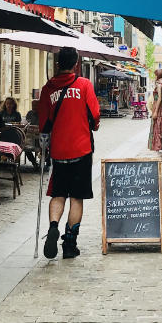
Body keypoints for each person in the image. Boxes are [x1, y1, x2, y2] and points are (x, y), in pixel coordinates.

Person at [38, 47, 100, 260]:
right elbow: (95, 115)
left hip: (59, 150)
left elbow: (44, 123)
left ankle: (53, 225)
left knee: (58, 193)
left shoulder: (48, 89)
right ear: (76, 64)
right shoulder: (84, 85)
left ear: (57, 64)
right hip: (81, 149)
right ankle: (70, 244)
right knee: (77, 197)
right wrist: (93, 124)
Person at [148, 69, 162, 157]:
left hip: (159, 107)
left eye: (156, 75)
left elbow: (159, 98)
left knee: (159, 127)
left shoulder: (159, 84)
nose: (155, 76)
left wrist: (155, 111)